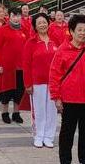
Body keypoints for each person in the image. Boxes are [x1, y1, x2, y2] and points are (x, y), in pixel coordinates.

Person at [49, 14, 85, 164]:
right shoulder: (62, 51)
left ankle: (84, 160)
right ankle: (65, 161)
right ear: (72, 31)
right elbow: (54, 75)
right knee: (67, 134)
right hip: (69, 100)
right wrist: (56, 97)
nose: (82, 33)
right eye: (79, 30)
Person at [22, 12, 58, 148]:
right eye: (39, 23)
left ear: (48, 23)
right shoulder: (31, 43)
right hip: (37, 82)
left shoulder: (55, 40)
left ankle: (49, 136)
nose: (43, 25)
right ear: (35, 26)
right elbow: (26, 65)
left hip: (54, 82)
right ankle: (38, 135)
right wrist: (28, 84)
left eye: (45, 22)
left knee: (52, 110)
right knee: (39, 110)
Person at [0, 7, 29, 124]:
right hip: (7, 66)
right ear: (9, 16)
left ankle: (16, 113)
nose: (16, 18)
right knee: (7, 90)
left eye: (18, 16)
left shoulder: (25, 30)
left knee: (19, 91)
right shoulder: (4, 29)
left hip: (21, 67)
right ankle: (4, 112)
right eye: (14, 15)